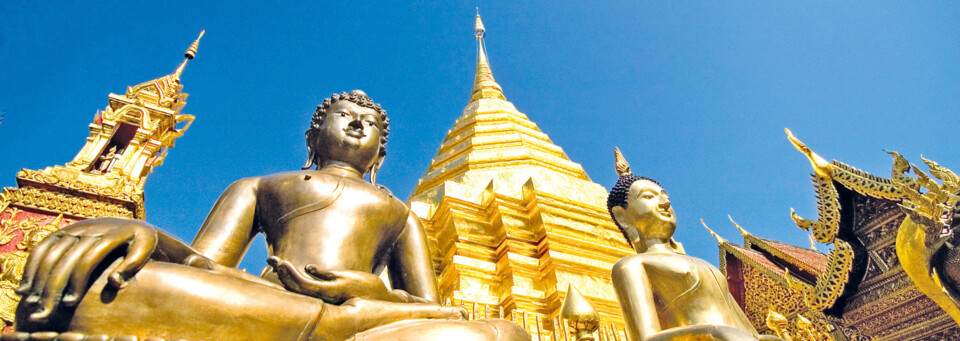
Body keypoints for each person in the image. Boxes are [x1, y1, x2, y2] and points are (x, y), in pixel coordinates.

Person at [15, 90, 528, 341]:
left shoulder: (398, 211)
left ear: (380, 157)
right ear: (313, 136)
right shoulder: (261, 186)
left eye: (370, 124)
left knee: (497, 334)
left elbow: (430, 306)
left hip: (368, 320)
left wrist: (366, 292)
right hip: (263, 302)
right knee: (111, 285)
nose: (356, 124)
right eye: (343, 116)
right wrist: (141, 230)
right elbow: (205, 263)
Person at [607, 148, 780, 341]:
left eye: (665, 196)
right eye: (649, 197)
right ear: (622, 217)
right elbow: (647, 338)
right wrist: (712, 333)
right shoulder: (631, 266)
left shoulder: (704, 264)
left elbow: (747, 332)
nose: (664, 202)